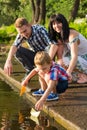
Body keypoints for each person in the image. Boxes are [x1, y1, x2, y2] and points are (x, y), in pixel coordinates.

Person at [48, 13, 87, 83]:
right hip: (80, 59)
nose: (56, 26)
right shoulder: (61, 37)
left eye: (59, 23)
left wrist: (68, 72)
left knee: (64, 61)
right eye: (54, 24)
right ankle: (81, 75)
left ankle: (81, 75)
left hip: (84, 58)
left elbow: (74, 56)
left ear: (64, 23)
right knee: (60, 63)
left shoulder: (72, 35)